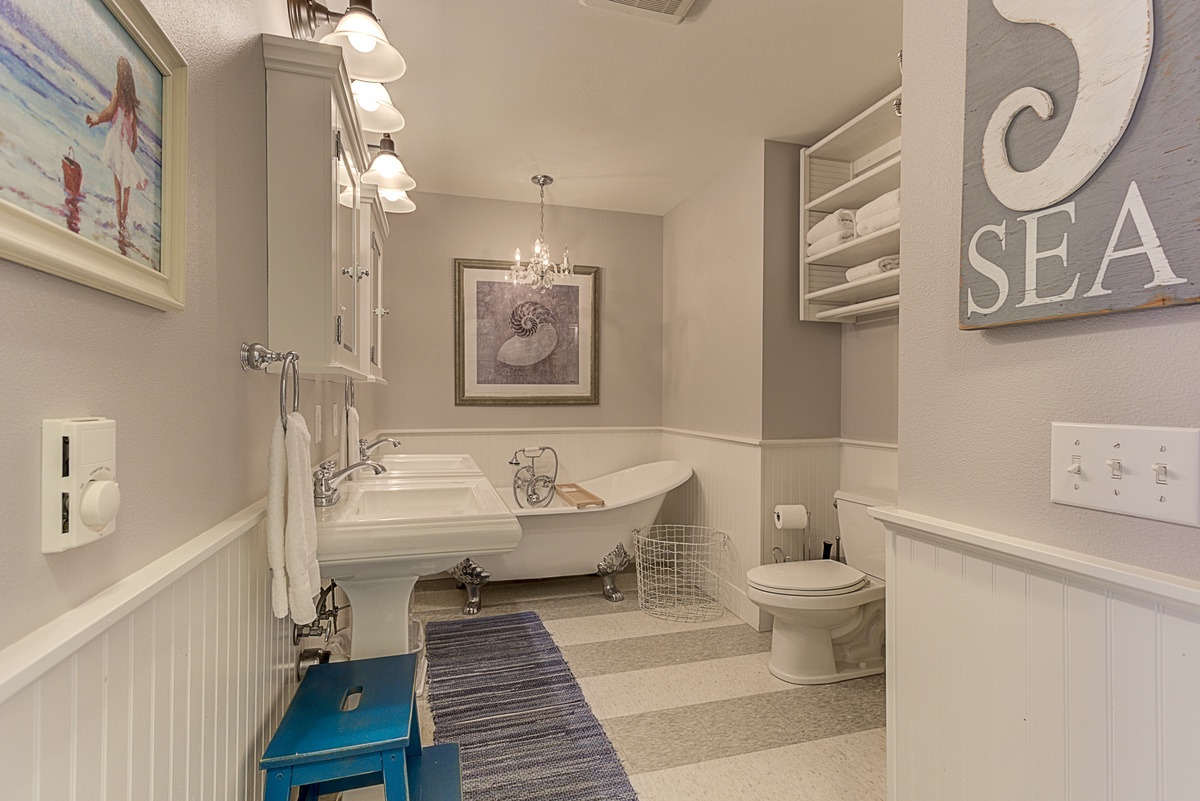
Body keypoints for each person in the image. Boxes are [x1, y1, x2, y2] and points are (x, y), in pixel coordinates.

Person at [86, 56, 147, 237]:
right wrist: (130, 150)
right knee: (126, 188)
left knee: (118, 188)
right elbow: (135, 136)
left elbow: (109, 112)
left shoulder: (117, 93)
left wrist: (97, 119)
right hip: (125, 148)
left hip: (116, 144)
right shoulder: (132, 104)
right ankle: (122, 226)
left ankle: (120, 225)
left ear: (119, 75)